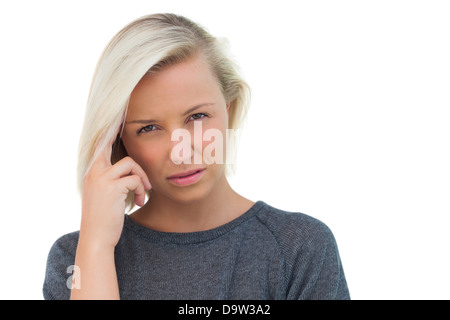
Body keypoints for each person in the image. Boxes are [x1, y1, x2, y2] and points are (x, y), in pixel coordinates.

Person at [43, 13, 350, 300]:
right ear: (117, 139)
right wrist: (96, 245)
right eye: (149, 127)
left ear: (228, 109)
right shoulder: (75, 258)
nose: (181, 150)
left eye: (197, 116)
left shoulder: (300, 249)